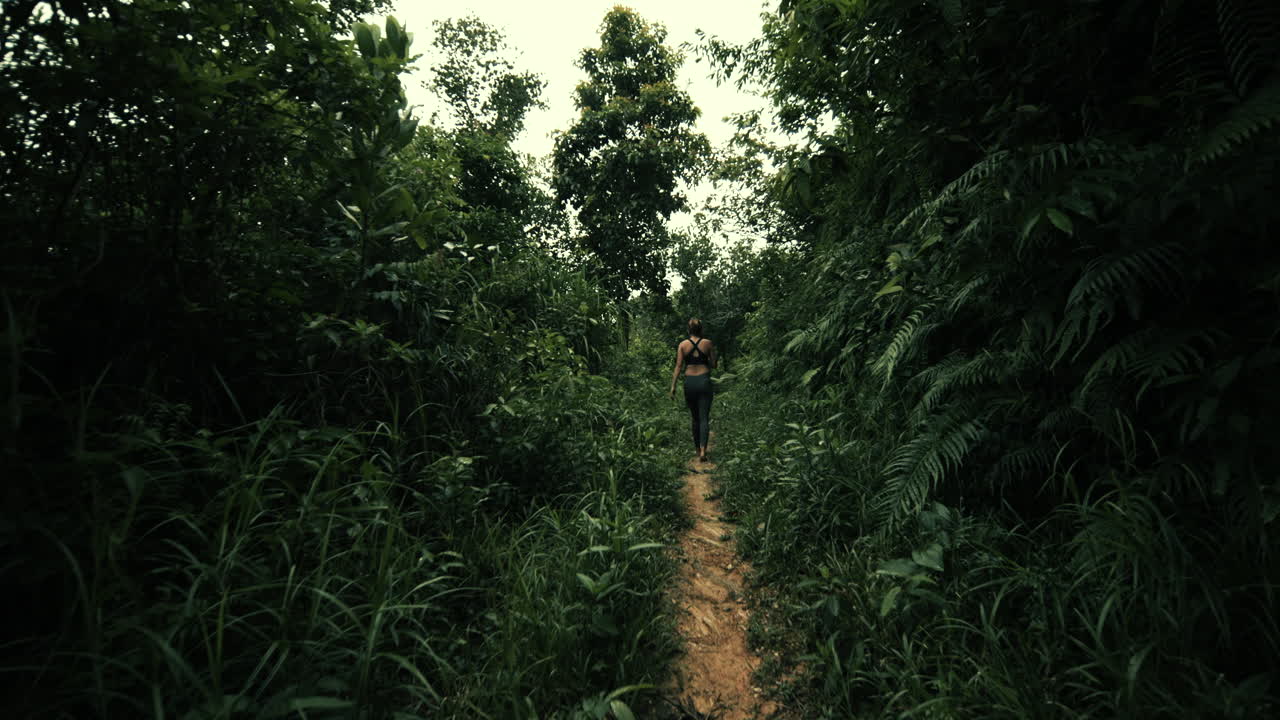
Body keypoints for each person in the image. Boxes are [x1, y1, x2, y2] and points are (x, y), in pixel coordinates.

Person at [669, 318, 717, 463]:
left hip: (689, 382)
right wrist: (710, 357)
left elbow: (678, 366)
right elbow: (714, 364)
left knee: (695, 418)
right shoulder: (707, 343)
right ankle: (703, 450)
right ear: (701, 329)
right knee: (704, 418)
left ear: (688, 330)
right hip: (704, 381)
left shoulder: (682, 345)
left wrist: (673, 386)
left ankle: (697, 450)